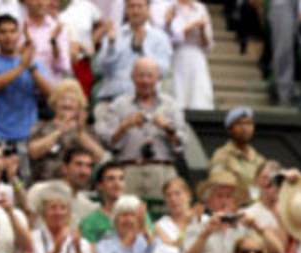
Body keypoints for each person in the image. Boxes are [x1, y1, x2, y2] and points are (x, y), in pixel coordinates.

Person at [94, 58, 186, 199]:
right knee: (126, 210)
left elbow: (182, 144)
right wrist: (124, 126)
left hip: (162, 170)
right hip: (128, 171)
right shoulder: (119, 105)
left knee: (163, 211)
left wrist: (167, 128)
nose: (145, 81)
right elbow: (107, 142)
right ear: (132, 77)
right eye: (141, 75)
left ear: (158, 78)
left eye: (149, 76)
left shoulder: (171, 105)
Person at [0, 15, 55, 162]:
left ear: (19, 35)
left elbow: (52, 95)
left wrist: (30, 65)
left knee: (25, 176)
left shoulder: (34, 64)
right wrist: (21, 66)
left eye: (13, 31)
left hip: (28, 135)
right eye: (3, 32)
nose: (8, 36)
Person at [25, 80, 106, 182]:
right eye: (62, 99)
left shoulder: (86, 129)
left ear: (79, 107)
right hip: (46, 183)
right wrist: (58, 132)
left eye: (72, 100)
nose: (67, 103)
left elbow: (99, 156)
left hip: (77, 186)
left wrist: (81, 134)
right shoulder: (41, 126)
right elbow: (33, 152)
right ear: (54, 104)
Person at [93, 0, 172, 102]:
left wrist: (142, 50)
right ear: (126, 10)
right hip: (114, 97)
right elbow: (101, 69)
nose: (135, 11)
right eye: (131, 6)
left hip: (147, 100)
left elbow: (163, 71)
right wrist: (111, 46)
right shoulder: (114, 34)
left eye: (139, 6)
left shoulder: (160, 37)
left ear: (148, 9)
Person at [162, 0, 213, 110]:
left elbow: (207, 44)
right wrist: (192, 25)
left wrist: (202, 29)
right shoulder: (171, 7)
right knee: (178, 91)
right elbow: (171, 39)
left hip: (197, 56)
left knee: (198, 93)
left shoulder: (200, 8)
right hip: (178, 55)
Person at [208, 108, 266, 192]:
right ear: (230, 129)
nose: (245, 128)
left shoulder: (259, 159)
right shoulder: (221, 156)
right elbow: (217, 185)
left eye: (248, 123)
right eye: (239, 124)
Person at [77, 161, 130, 245]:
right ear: (100, 185)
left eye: (121, 179)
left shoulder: (138, 214)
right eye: (111, 179)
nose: (117, 183)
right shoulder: (90, 222)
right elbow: (89, 250)